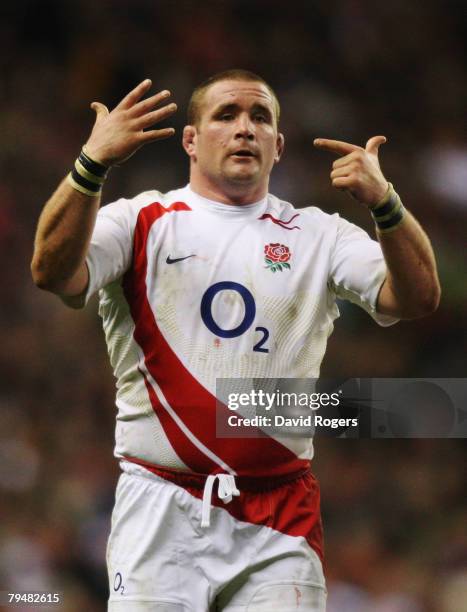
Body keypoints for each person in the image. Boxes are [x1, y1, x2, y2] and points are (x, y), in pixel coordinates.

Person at [31, 69, 440, 611]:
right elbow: (53, 272)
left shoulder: (320, 234)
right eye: (226, 115)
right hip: (161, 507)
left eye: (260, 117)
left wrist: (386, 202)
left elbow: (417, 298)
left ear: (279, 146)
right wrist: (91, 165)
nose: (245, 128)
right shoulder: (141, 220)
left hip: (279, 518)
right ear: (191, 140)